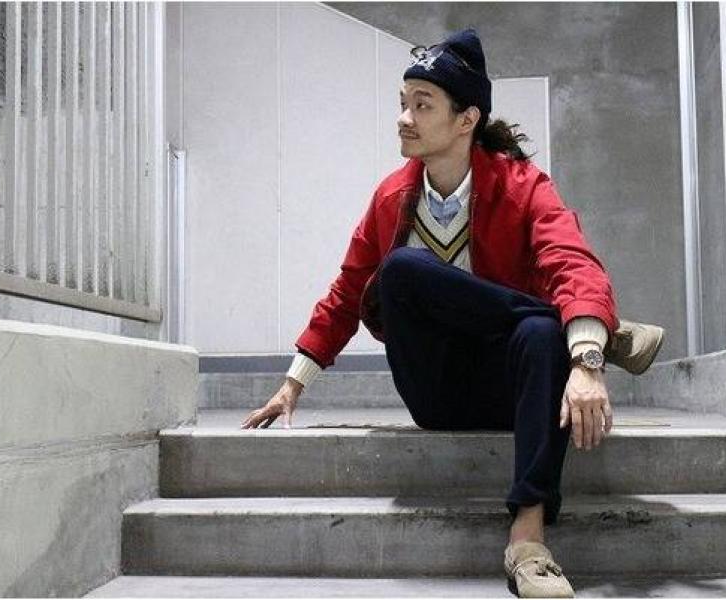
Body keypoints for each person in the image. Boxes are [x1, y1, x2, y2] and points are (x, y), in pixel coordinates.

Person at [240, 28, 664, 599]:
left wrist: (583, 363)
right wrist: (293, 385)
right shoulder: (391, 198)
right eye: (403, 103)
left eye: (422, 105)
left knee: (541, 332)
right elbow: (346, 292)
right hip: (435, 389)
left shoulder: (521, 186)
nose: (404, 119)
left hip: (512, 383)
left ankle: (528, 542)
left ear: (467, 119)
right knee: (400, 271)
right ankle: (591, 329)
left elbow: (572, 260)